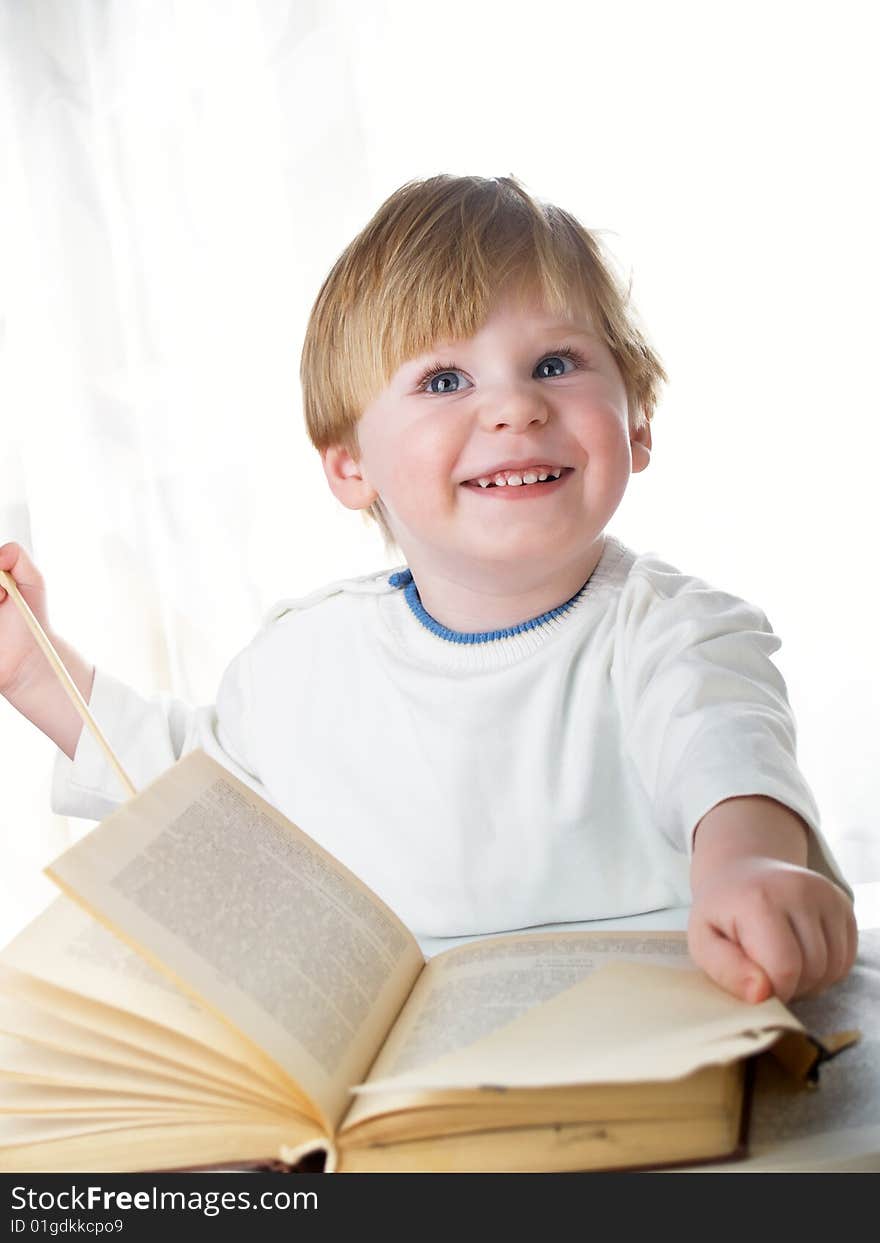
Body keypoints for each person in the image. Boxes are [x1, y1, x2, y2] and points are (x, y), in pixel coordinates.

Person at [0, 174, 857, 1006]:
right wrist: (34, 674)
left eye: (556, 362)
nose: (515, 407)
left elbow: (727, 758)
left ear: (637, 421)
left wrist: (748, 867)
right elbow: (185, 785)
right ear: (350, 464)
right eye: (445, 381)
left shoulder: (676, 633)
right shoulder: (304, 661)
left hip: (671, 1035)